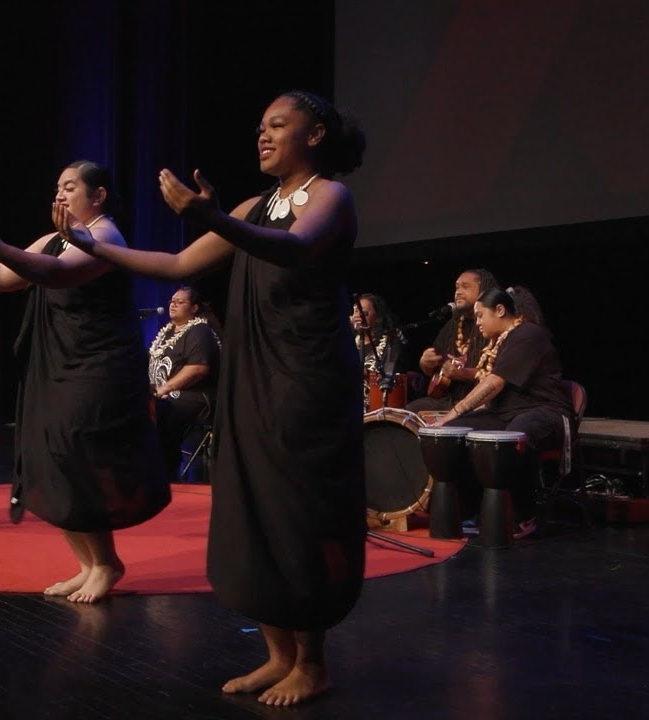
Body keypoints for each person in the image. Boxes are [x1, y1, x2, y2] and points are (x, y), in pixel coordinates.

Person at [55, 90, 365, 706]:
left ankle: (312, 662)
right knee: (254, 510)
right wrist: (95, 248)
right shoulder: (256, 204)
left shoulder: (331, 196)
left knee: (298, 513)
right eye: (260, 125)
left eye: (279, 124)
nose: (264, 134)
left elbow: (296, 247)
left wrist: (215, 217)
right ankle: (278, 655)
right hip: (252, 375)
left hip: (307, 380)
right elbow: (174, 265)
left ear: (317, 134)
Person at [0, 160, 169, 604]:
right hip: (56, 362)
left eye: (70, 187)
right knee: (49, 457)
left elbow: (54, 273)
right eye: (57, 187)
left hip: (95, 365)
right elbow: (5, 279)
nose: (60, 195)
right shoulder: (52, 239)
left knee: (76, 456)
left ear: (98, 196)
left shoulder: (104, 237)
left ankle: (106, 563)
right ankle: (86, 564)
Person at [430, 286, 573, 530]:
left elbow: (494, 383)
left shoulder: (528, 334)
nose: (477, 323)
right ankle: (474, 509)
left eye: (480, 316)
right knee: (454, 433)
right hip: (507, 414)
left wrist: (452, 412)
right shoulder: (502, 341)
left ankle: (523, 515)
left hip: (545, 413)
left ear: (499, 310)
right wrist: (453, 421)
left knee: (512, 437)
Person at [148, 285, 221, 479]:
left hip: (198, 397)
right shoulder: (166, 332)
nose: (173, 305)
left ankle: (166, 470)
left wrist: (164, 388)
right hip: (164, 393)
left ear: (194, 308)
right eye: (172, 301)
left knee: (163, 405)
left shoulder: (199, 331)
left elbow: (198, 369)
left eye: (180, 302)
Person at [406, 268, 499, 414]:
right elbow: (432, 370)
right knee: (410, 412)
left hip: (482, 401)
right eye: (457, 287)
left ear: (484, 291)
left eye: (465, 287)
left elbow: (500, 373)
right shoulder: (453, 325)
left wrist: (463, 374)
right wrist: (425, 364)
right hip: (448, 399)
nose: (458, 292)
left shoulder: (492, 323)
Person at [351, 292, 406, 413]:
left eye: (363, 313)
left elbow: (389, 371)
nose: (358, 316)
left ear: (377, 316)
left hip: (377, 404)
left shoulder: (391, 341)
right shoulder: (348, 341)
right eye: (355, 312)